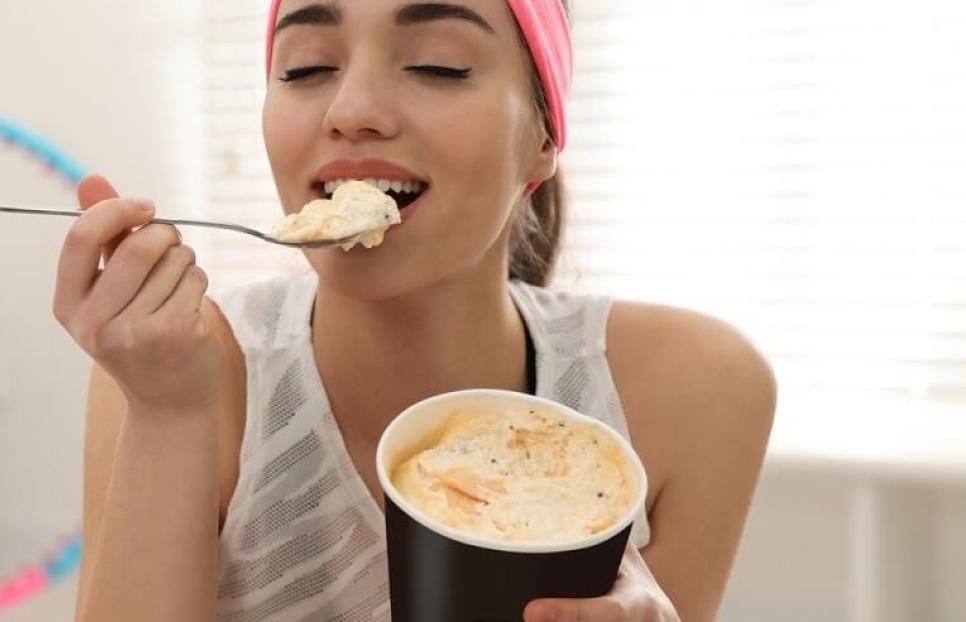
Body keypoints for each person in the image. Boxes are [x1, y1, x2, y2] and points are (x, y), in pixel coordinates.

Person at [53, 1, 776, 620]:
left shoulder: (698, 389)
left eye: (438, 65)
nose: (352, 112)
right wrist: (167, 414)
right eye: (306, 67)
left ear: (545, 136)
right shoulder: (175, 366)